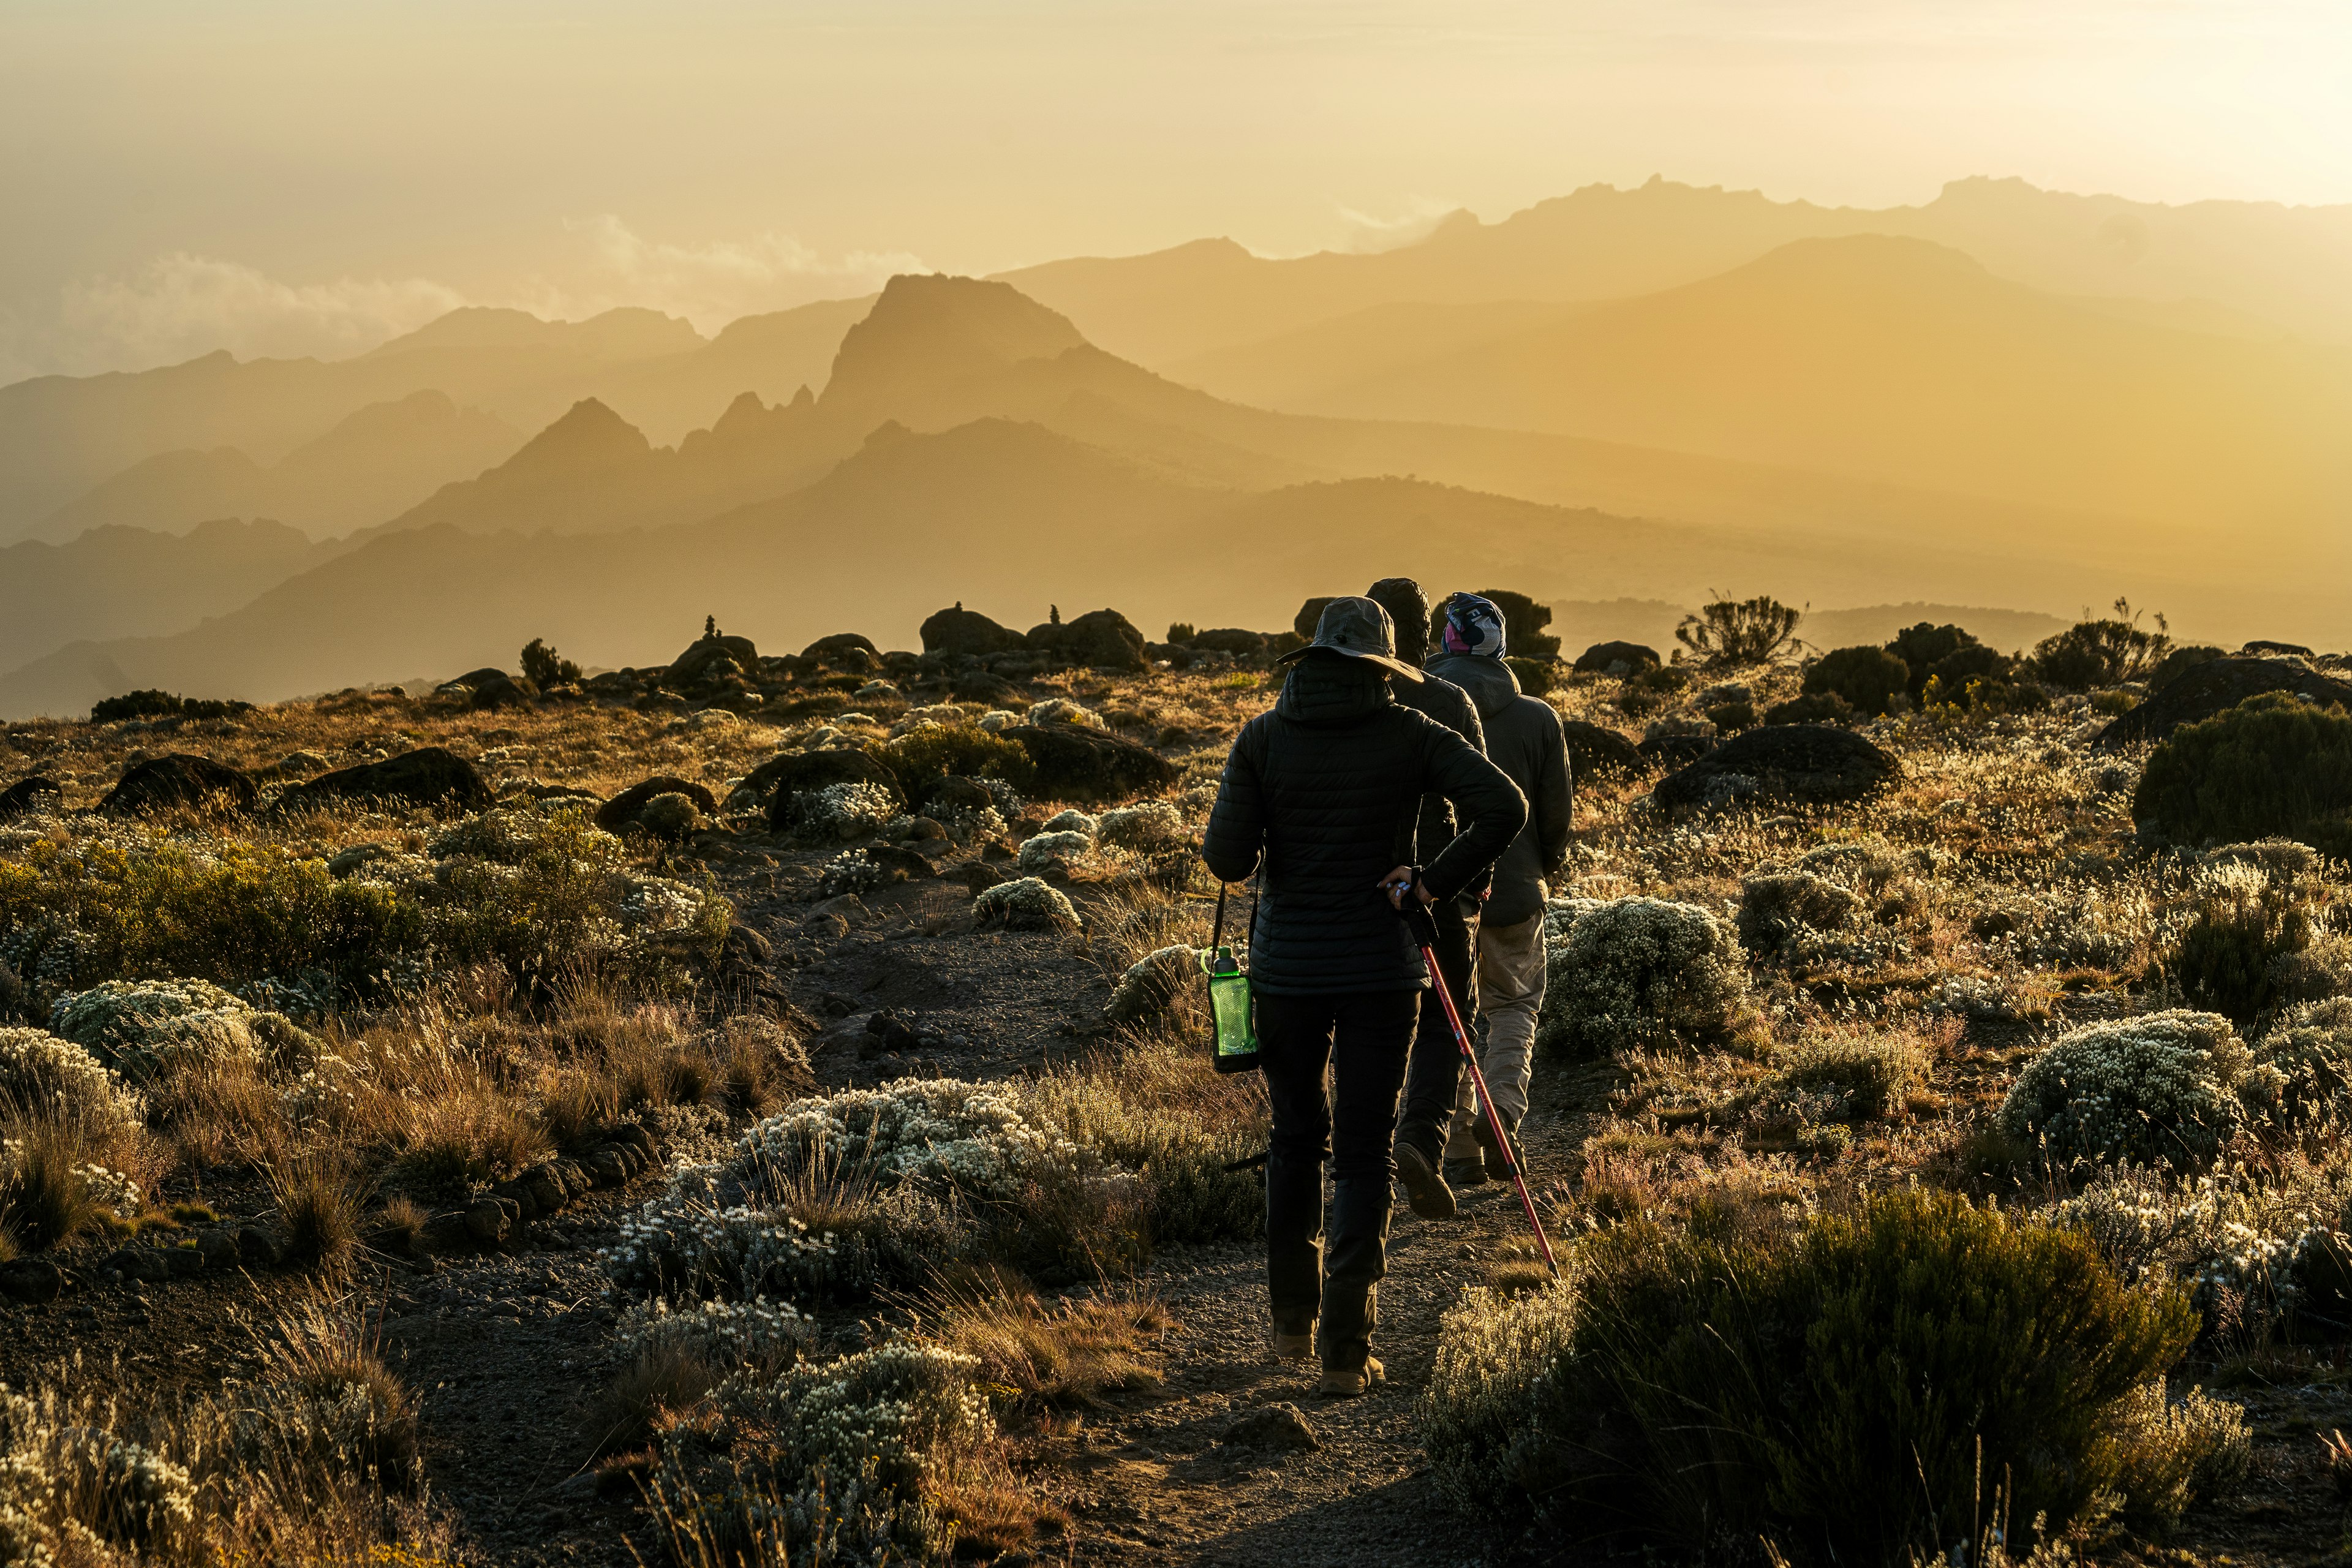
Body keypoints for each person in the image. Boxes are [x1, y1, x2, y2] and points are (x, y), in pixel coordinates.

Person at [1202, 597, 1523, 1397]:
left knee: (1294, 1140)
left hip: (1284, 973)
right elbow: (1504, 807)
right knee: (1364, 1151)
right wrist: (1431, 881)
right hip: (1384, 970)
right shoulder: (1412, 734)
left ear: (1311, 660)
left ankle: (1288, 1324)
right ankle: (1347, 1353)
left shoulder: (1262, 739)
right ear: (1383, 667)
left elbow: (1227, 860)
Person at [1419, 592, 1572, 1188]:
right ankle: (1501, 1116)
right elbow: (1555, 813)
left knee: (1451, 1014)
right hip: (1514, 894)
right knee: (1513, 1007)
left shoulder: (1417, 708)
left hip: (1439, 895)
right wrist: (1543, 865)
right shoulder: (1538, 718)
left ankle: (1458, 1147)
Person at [1362, 577, 1488, 1224]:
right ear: (1426, 630)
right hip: (1435, 884)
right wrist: (1467, 880)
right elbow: (1483, 803)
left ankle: (1366, 1155)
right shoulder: (1450, 700)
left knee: (1367, 1020)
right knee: (1446, 1016)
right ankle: (1420, 1141)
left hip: (1360, 885)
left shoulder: (1349, 696)